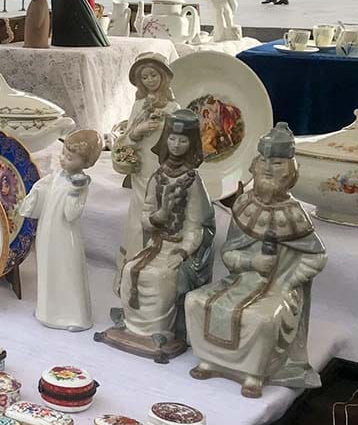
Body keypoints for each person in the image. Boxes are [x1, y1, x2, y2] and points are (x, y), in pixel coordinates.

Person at [186, 123, 326, 398]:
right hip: (242, 280)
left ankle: (254, 373)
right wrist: (252, 262)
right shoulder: (244, 205)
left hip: (279, 287)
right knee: (195, 301)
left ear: (290, 171)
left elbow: (317, 256)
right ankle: (211, 360)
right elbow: (228, 253)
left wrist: (288, 282)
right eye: (264, 161)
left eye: (277, 163)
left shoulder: (295, 214)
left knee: (261, 318)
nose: (268, 168)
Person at [108, 109, 216, 360]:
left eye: (183, 140)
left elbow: (196, 225)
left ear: (191, 144)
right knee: (130, 269)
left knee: (159, 277)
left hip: (179, 246)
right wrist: (160, 215)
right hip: (157, 242)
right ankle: (132, 326)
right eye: (172, 139)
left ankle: (161, 331)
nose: (176, 145)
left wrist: (183, 252)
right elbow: (146, 216)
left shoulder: (192, 180)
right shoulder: (158, 176)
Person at [18, 128, 103, 332]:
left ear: (86, 163)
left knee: (68, 271)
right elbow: (46, 193)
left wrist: (75, 192)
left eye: (70, 158)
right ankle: (47, 312)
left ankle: (76, 317)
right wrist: (40, 188)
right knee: (48, 268)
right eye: (63, 154)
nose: (63, 159)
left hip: (64, 234)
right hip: (48, 230)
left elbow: (71, 215)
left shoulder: (80, 185)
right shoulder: (58, 175)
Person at [112, 54, 179, 289]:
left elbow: (180, 139)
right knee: (138, 216)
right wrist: (138, 130)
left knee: (160, 213)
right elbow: (126, 138)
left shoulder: (173, 108)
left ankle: (154, 268)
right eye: (145, 77)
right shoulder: (139, 106)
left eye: (154, 75)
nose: (150, 80)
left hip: (163, 167)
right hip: (143, 167)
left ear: (163, 77)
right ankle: (132, 267)